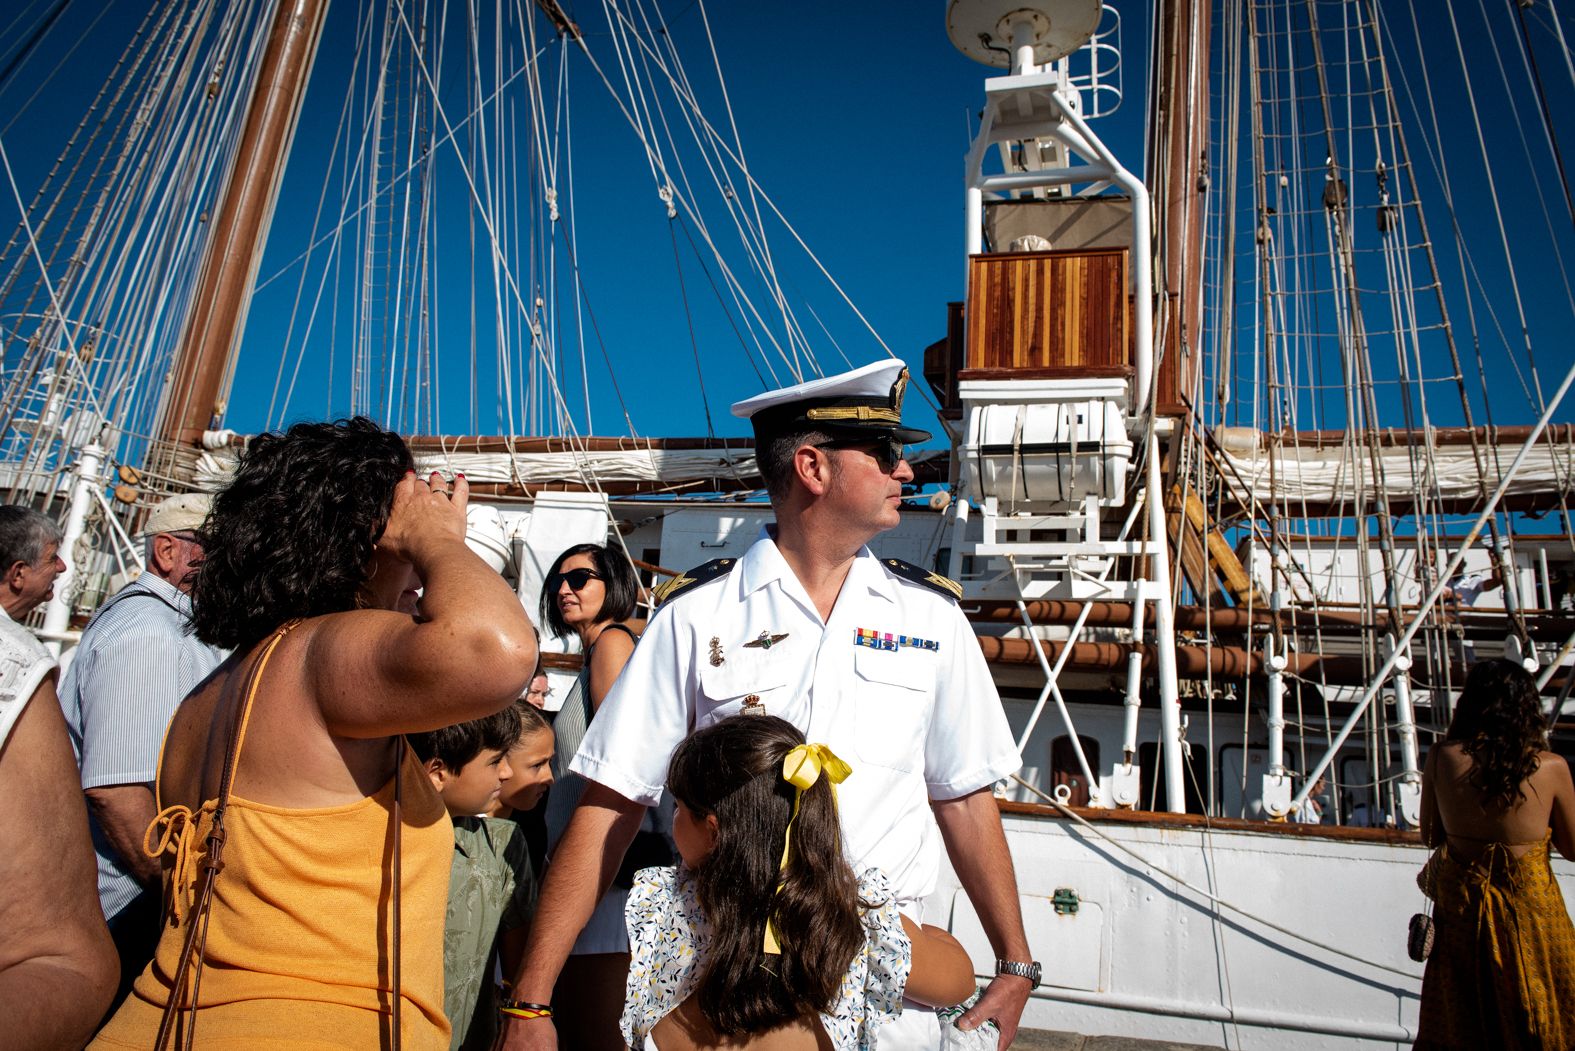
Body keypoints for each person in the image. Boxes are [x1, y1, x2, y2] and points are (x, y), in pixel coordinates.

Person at [502, 360, 1033, 1051]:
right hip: (725, 989)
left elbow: (963, 796)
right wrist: (530, 1002)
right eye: (883, 453)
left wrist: (1015, 962)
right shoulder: (694, 617)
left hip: (883, 986)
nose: (905, 470)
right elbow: (612, 803)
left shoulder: (932, 619)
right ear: (812, 466)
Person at [91, 418, 537, 1050]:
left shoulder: (209, 696)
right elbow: (500, 650)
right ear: (366, 537)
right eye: (400, 539)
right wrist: (437, 539)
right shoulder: (322, 652)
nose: (414, 574)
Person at [622, 715, 978, 1050]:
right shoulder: (848, 920)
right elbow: (958, 982)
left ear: (713, 831)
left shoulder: (664, 909)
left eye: (679, 808)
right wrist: (920, 931)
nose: (674, 818)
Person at [58, 492, 227, 1016]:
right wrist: (176, 899)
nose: (227, 561)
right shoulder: (149, 634)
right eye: (212, 548)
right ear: (167, 552)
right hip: (125, 907)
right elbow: (120, 793)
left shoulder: (175, 629)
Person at [0, 506, 119, 1050]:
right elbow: (57, 954)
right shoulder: (15, 665)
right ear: (18, 574)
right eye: (52, 560)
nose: (66, 568)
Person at [1415, 659, 1575, 1049]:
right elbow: (1574, 848)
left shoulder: (1442, 756)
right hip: (1529, 909)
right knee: (1544, 1012)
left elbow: (1430, 834)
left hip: (1462, 908)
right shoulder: (1550, 767)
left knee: (1463, 1021)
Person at [537, 541, 660, 1049]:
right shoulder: (594, 653)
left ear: (614, 585)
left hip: (606, 879)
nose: (565, 588)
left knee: (591, 1033)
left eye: (580, 578)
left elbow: (622, 750)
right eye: (558, 582)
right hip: (590, 873)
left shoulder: (611, 642)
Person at [410, 706, 539, 1051]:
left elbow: (519, 971)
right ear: (437, 772)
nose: (506, 772)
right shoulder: (377, 848)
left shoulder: (501, 847)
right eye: (495, 761)